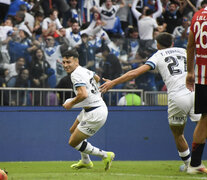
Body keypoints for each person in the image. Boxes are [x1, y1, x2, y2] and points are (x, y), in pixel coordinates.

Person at [100, 32, 201, 171]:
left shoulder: (158, 55)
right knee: (203, 129)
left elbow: (134, 73)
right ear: (172, 43)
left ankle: (190, 165)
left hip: (177, 96)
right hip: (195, 92)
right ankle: (196, 164)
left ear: (157, 45)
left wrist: (113, 83)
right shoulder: (184, 51)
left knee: (178, 133)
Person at [61, 49, 115, 171]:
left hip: (96, 112)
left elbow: (83, 95)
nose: (65, 65)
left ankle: (105, 155)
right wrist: (94, 89)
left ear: (76, 61)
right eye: (63, 62)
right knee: (73, 130)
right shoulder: (85, 70)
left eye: (68, 62)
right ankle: (85, 161)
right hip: (92, 108)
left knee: (73, 142)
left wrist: (71, 104)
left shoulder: (75, 74)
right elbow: (97, 78)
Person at [185, 6, 207, 174]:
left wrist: (190, 71)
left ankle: (195, 164)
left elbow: (190, 45)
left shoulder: (197, 16)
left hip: (201, 76)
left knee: (205, 118)